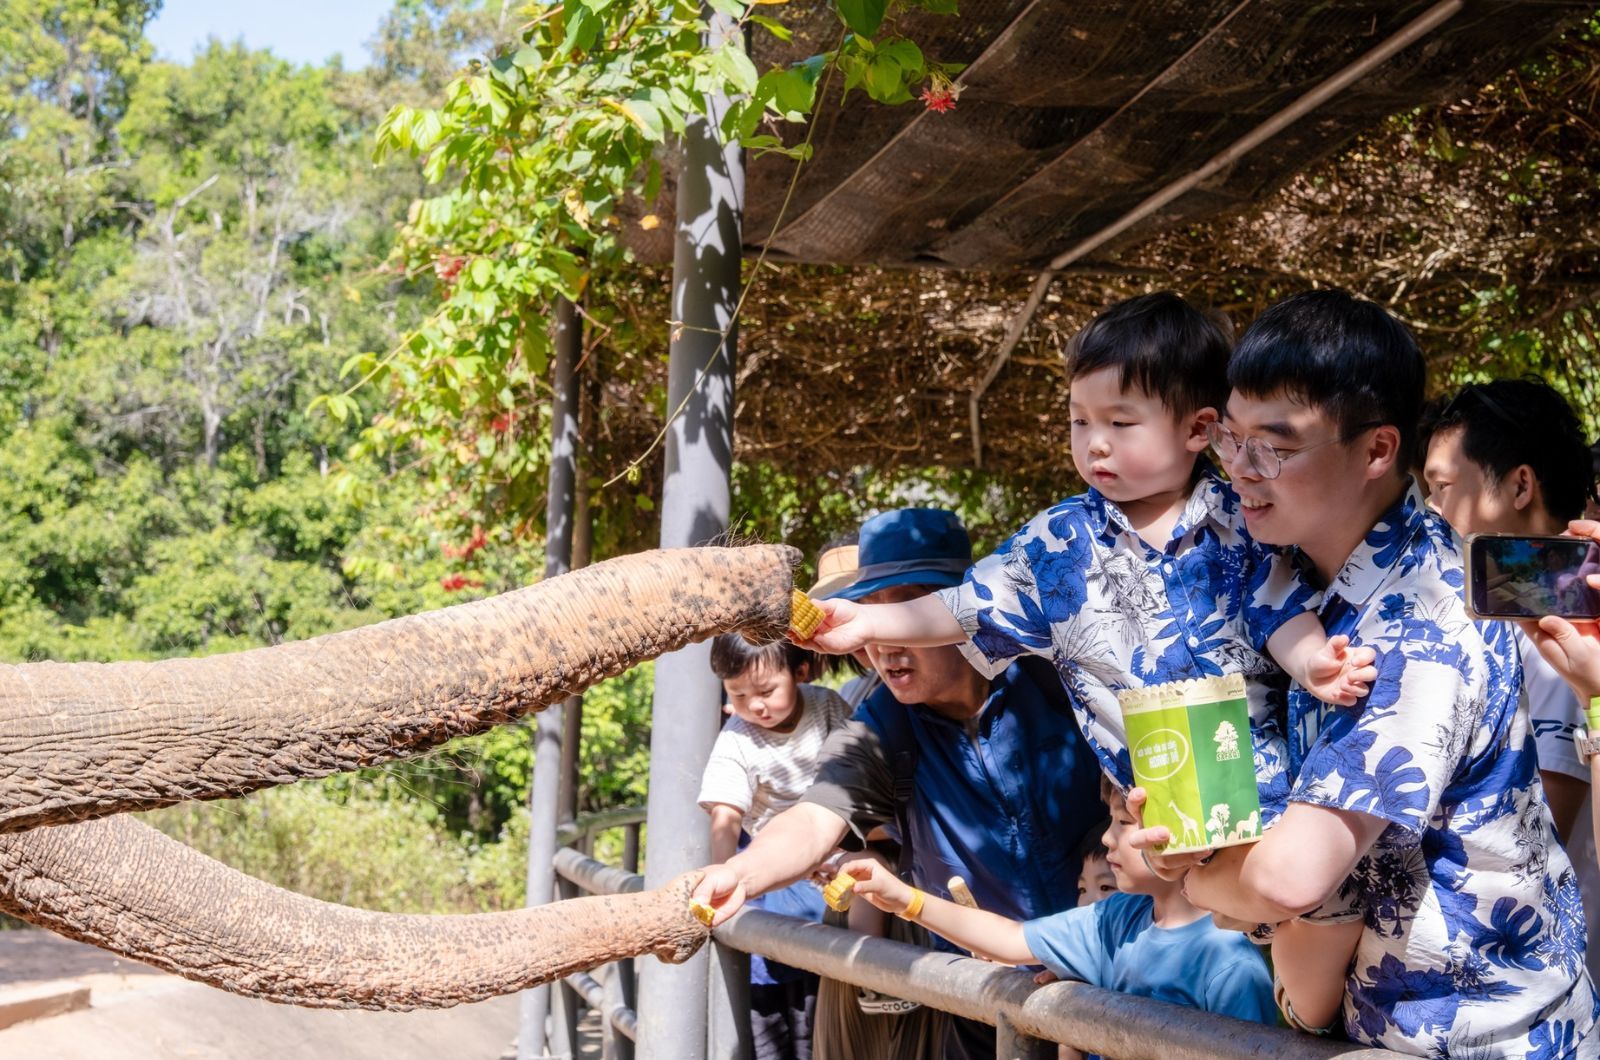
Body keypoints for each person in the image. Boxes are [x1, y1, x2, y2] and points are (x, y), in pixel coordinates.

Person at [1148, 289, 1598, 1054]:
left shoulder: (1419, 615)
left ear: (1379, 450)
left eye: (1275, 446)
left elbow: (1292, 877)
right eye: (1231, 438)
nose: (1241, 471)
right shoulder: (1299, 580)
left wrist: (1194, 879)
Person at [801, 291, 1374, 825]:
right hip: (1158, 810)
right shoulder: (1058, 542)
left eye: (1120, 423)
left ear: (1199, 428)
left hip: (1273, 794)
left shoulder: (1243, 518)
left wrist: (1312, 662)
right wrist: (869, 622)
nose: (1095, 441)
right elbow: (963, 607)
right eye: (1080, 421)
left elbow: (1279, 606)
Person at [692, 507, 1106, 1060]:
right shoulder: (882, 723)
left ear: (958, 611)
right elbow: (815, 816)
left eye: (904, 611)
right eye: (868, 614)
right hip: (980, 996)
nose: (881, 641)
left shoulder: (1060, 679)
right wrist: (740, 873)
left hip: (1109, 976)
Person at [835, 775, 1275, 1028]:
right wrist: (904, 899)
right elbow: (1009, 940)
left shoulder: (1230, 964)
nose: (1107, 838)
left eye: (1124, 823)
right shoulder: (1117, 917)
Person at [1421, 378, 1600, 980]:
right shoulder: (1492, 630)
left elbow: (1531, 840)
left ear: (1521, 485)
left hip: (1539, 976)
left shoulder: (1564, 648)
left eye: (1442, 488)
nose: (1431, 512)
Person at [697, 634, 851, 1060]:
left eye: (765, 691)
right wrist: (723, 871)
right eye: (738, 695)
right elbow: (726, 814)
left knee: (822, 1000)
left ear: (800, 672)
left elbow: (863, 768)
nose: (754, 706)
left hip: (836, 853)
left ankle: (868, 984)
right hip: (774, 870)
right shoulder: (736, 738)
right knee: (771, 995)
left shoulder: (828, 707)